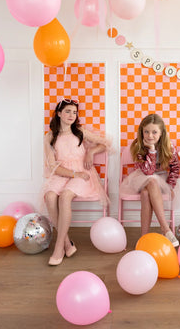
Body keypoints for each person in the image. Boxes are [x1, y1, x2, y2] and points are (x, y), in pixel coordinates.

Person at [43, 98, 111, 265]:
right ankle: (67, 243)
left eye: (74, 112)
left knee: (65, 196)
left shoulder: (80, 132)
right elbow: (53, 166)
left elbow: (106, 143)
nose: (71, 115)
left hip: (83, 173)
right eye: (67, 111)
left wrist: (91, 152)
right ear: (58, 113)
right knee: (50, 196)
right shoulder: (50, 136)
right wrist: (72, 174)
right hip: (63, 173)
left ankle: (59, 247)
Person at [120, 113, 180, 247]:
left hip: (161, 180)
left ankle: (144, 238)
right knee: (151, 181)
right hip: (141, 178)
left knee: (146, 194)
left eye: (154, 132)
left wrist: (170, 187)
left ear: (161, 133)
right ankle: (165, 229)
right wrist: (151, 151)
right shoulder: (138, 147)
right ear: (141, 132)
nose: (150, 135)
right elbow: (148, 172)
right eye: (146, 131)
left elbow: (175, 168)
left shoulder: (169, 147)